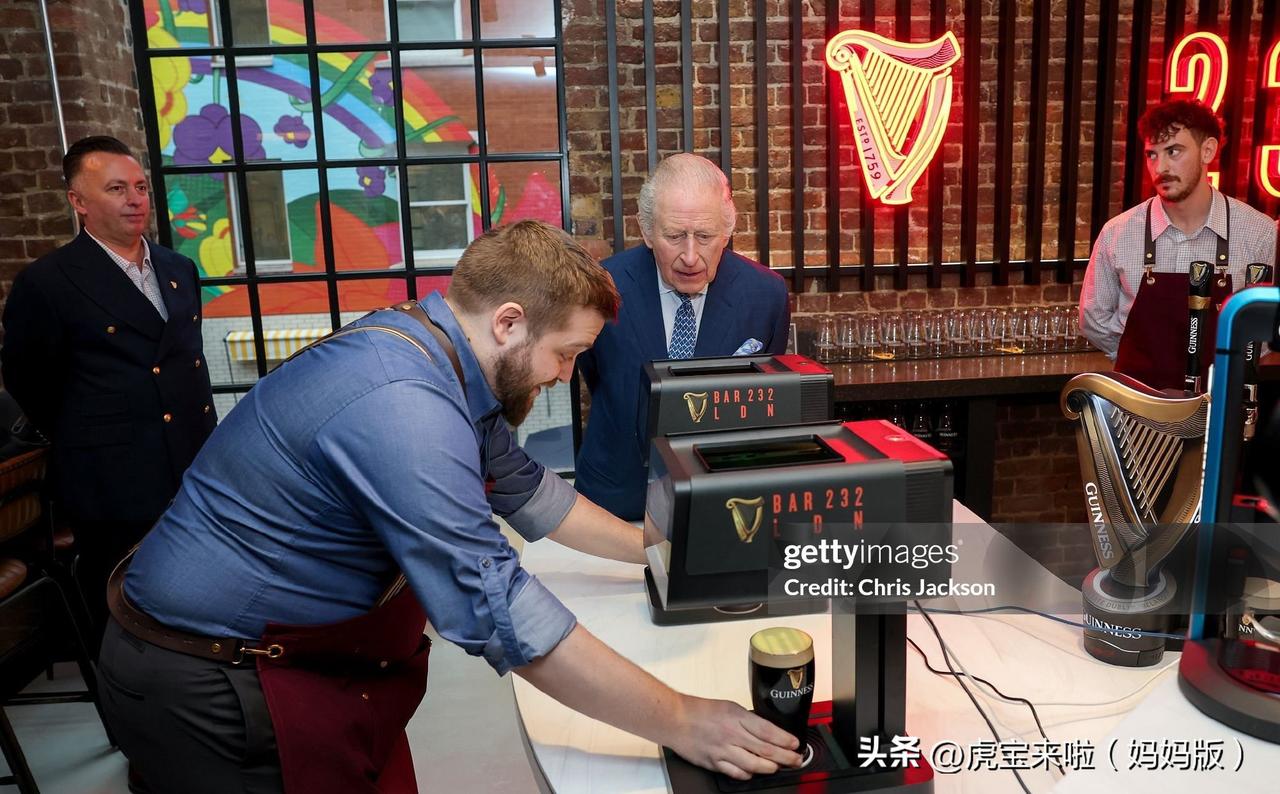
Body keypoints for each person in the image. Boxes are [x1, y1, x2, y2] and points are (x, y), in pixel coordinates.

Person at [97, 220, 802, 793]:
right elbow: (498, 608)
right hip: (211, 682)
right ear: (509, 323)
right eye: (565, 353)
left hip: (296, 659)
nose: (566, 375)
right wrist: (682, 720)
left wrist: (658, 547)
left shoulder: (435, 350)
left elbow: (525, 487)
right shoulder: (405, 407)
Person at [1, 135, 216, 643]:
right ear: (78, 201)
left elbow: (186, 367)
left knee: (199, 602)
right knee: (127, 616)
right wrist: (94, 432)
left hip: (193, 466)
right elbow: (29, 380)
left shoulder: (178, 268)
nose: (135, 199)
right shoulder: (48, 282)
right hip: (112, 480)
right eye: (117, 189)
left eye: (140, 187)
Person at [575, 153, 791, 520]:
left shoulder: (766, 294)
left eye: (705, 236)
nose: (690, 256)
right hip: (615, 501)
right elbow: (597, 375)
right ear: (646, 231)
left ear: (727, 231)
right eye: (674, 236)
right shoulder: (601, 287)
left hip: (723, 501)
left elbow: (763, 399)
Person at [1079, 98, 1275, 392]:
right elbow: (1093, 319)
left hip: (1221, 405)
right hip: (1138, 404)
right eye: (1152, 155)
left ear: (1207, 150)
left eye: (1173, 151)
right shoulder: (1118, 233)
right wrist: (1137, 360)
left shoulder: (1258, 232)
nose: (1160, 167)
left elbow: (1266, 327)